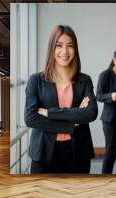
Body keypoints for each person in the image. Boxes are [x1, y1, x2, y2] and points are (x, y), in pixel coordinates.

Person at [24, 25, 98, 174]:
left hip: (78, 152)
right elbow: (31, 118)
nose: (64, 52)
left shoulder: (84, 80)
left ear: (75, 49)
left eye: (70, 46)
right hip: (44, 153)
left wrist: (50, 113)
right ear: (52, 48)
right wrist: (72, 122)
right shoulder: (36, 80)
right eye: (59, 45)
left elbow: (91, 113)